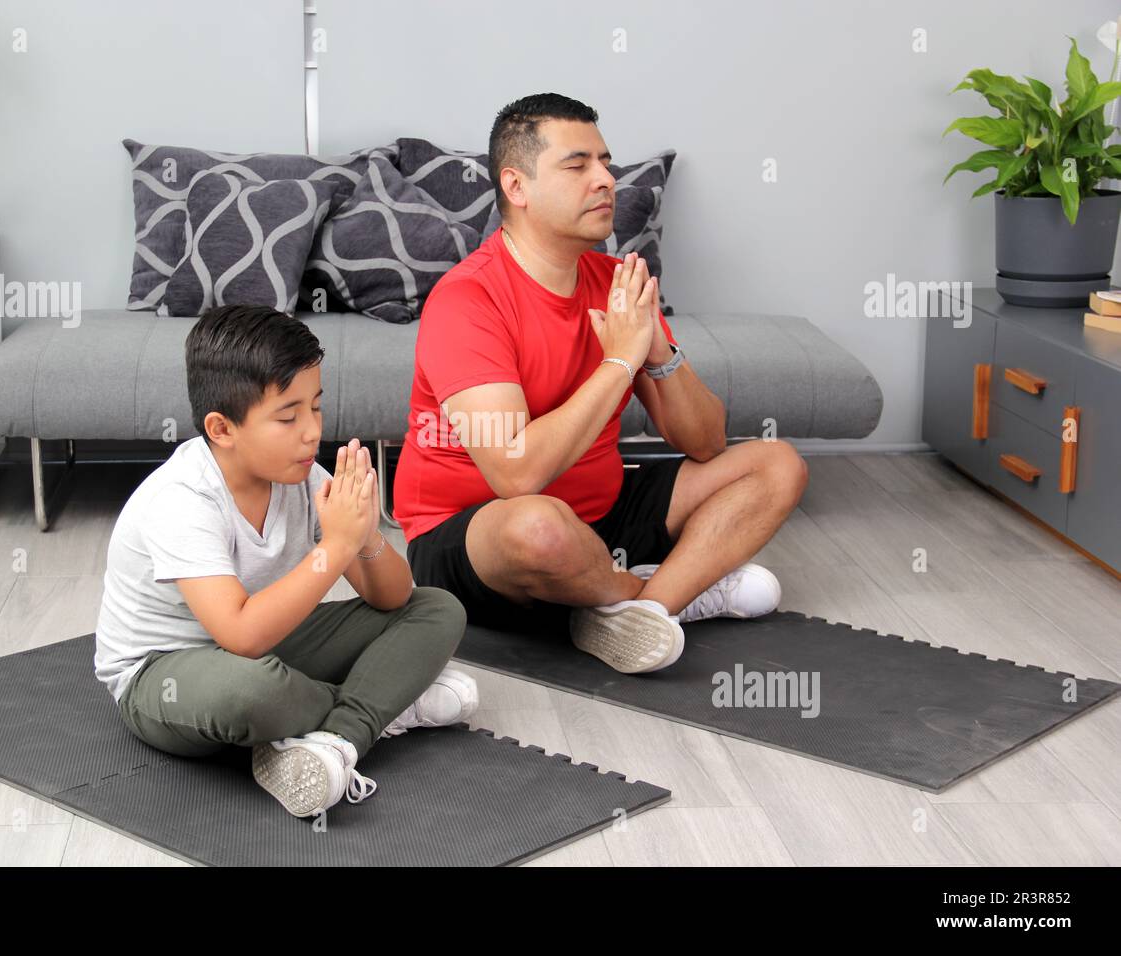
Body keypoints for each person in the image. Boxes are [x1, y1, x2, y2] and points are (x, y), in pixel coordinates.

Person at [394, 93, 808, 675]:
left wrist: (656, 349)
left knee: (776, 464)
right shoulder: (469, 299)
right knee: (537, 525)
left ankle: (643, 610)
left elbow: (707, 443)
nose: (605, 180)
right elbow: (516, 475)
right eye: (577, 165)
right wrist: (618, 361)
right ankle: (658, 593)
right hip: (480, 535)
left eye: (606, 162)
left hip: (600, 511)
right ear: (516, 186)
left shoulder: (617, 281)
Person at [94, 305, 476, 819]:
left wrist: (362, 536)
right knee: (250, 691)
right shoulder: (182, 499)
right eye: (288, 416)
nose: (312, 431)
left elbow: (394, 598)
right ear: (222, 429)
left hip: (272, 644)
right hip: (165, 673)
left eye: (315, 407)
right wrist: (334, 548)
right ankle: (382, 706)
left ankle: (338, 738)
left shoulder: (302, 477)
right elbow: (241, 636)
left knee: (437, 608)